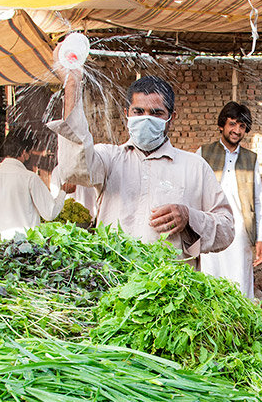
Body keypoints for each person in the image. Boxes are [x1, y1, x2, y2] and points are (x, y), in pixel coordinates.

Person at [48, 62, 233, 262]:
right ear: (126, 114)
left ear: (171, 118)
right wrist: (72, 86)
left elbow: (227, 229)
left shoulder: (194, 167)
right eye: (138, 112)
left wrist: (189, 217)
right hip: (114, 277)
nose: (146, 119)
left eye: (156, 113)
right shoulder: (109, 159)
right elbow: (74, 169)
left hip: (170, 279)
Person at [197, 101, 262, 298]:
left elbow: (259, 202)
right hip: (211, 229)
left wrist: (260, 239)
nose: (237, 130)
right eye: (232, 124)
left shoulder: (251, 159)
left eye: (242, 126)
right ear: (222, 125)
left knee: (240, 285)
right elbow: (192, 192)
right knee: (210, 284)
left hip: (240, 233)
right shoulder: (203, 153)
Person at [0, 130, 65, 243]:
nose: (30, 156)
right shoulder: (30, 178)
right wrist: (63, 192)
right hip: (25, 247)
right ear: (24, 152)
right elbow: (50, 213)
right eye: (30, 152)